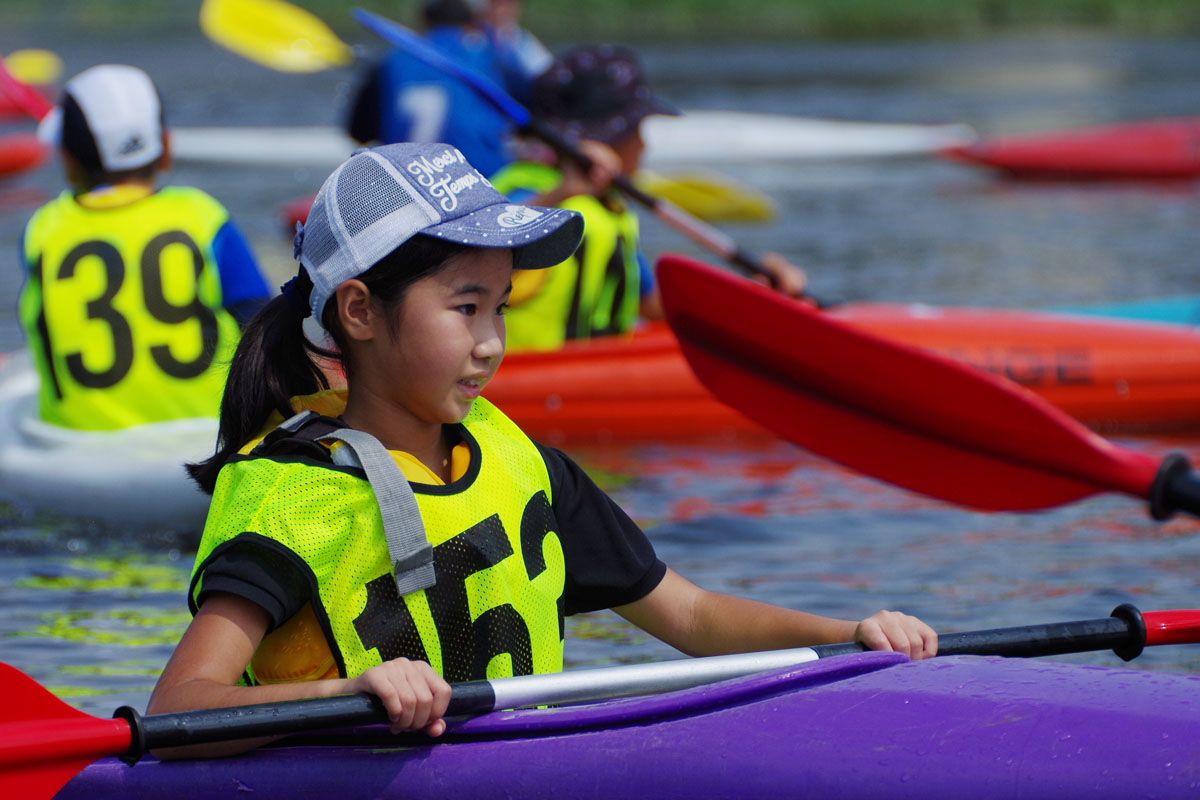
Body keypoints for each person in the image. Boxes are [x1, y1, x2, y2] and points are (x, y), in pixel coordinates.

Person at [146, 142, 935, 757]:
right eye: (464, 307)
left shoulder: (525, 465)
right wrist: (351, 692)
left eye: (500, 308)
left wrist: (846, 638)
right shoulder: (290, 498)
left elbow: (692, 616)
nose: (491, 344)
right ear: (359, 310)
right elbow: (180, 707)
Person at [491, 45, 809, 352]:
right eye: (635, 130)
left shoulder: (609, 209)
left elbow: (653, 305)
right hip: (524, 390)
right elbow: (482, 247)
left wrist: (754, 299)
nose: (644, 146)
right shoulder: (525, 194)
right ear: (605, 138)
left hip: (590, 383)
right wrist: (560, 193)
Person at [18, 64, 270, 431]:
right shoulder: (203, 216)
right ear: (165, 147)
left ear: (68, 160)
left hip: (79, 445)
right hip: (207, 430)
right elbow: (262, 326)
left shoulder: (42, 229)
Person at [345, 0, 535, 177]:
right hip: (482, 184)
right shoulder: (493, 59)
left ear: (424, 21)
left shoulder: (390, 62)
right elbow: (530, 117)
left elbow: (359, 132)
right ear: (473, 22)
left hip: (409, 186)